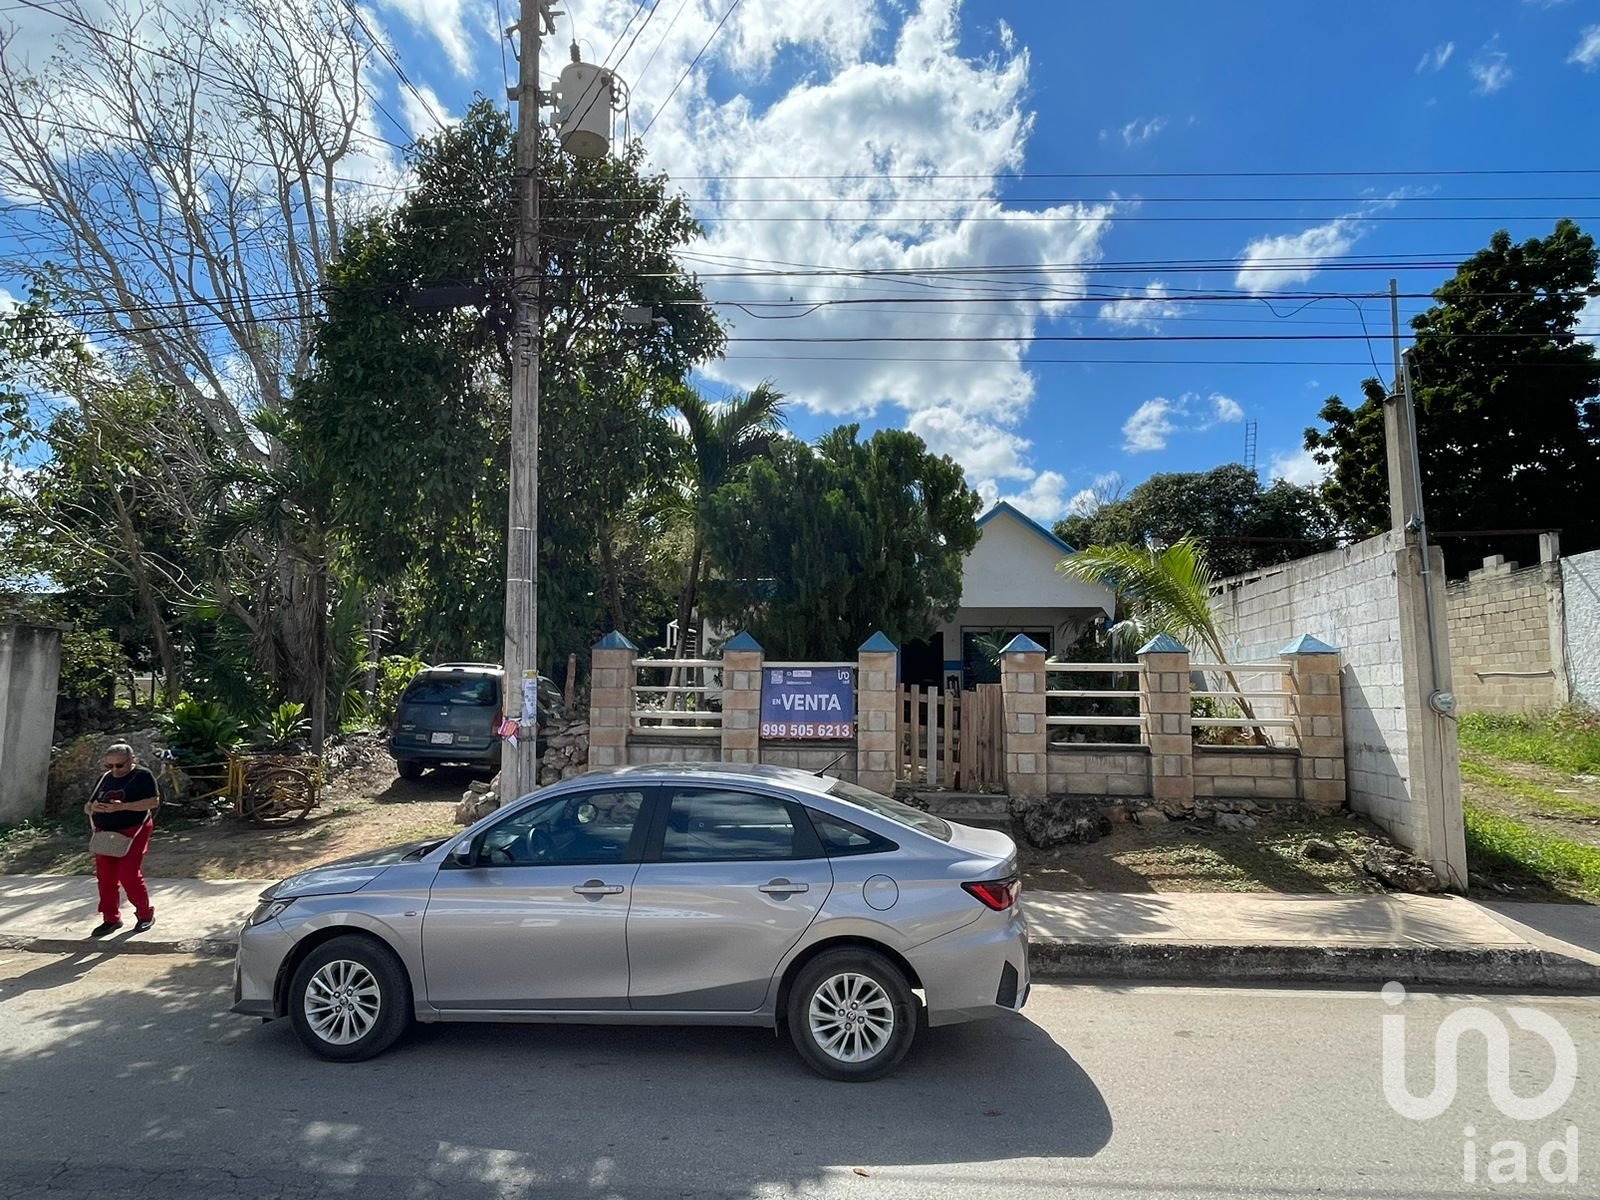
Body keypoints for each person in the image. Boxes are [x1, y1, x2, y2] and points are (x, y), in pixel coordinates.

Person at [84, 742, 159, 937]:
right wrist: (94, 808)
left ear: (132, 760)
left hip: (133, 830)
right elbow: (88, 805)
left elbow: (153, 802)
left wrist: (122, 807)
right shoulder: (105, 778)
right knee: (105, 877)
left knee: (129, 874)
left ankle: (145, 915)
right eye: (109, 766)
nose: (115, 771)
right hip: (105, 832)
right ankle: (111, 919)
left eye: (120, 765)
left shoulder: (143, 776)